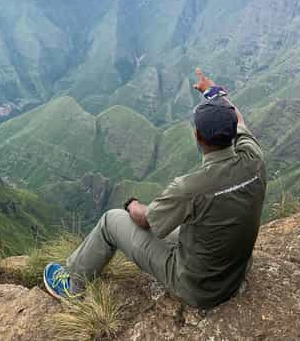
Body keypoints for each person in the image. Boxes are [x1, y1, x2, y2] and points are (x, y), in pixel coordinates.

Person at [43, 68, 266, 309]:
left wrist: (131, 205)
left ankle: (72, 286)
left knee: (110, 221)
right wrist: (214, 93)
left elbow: (146, 220)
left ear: (197, 136)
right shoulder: (254, 158)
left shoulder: (190, 188)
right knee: (184, 223)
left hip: (198, 288)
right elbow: (239, 118)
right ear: (233, 132)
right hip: (235, 273)